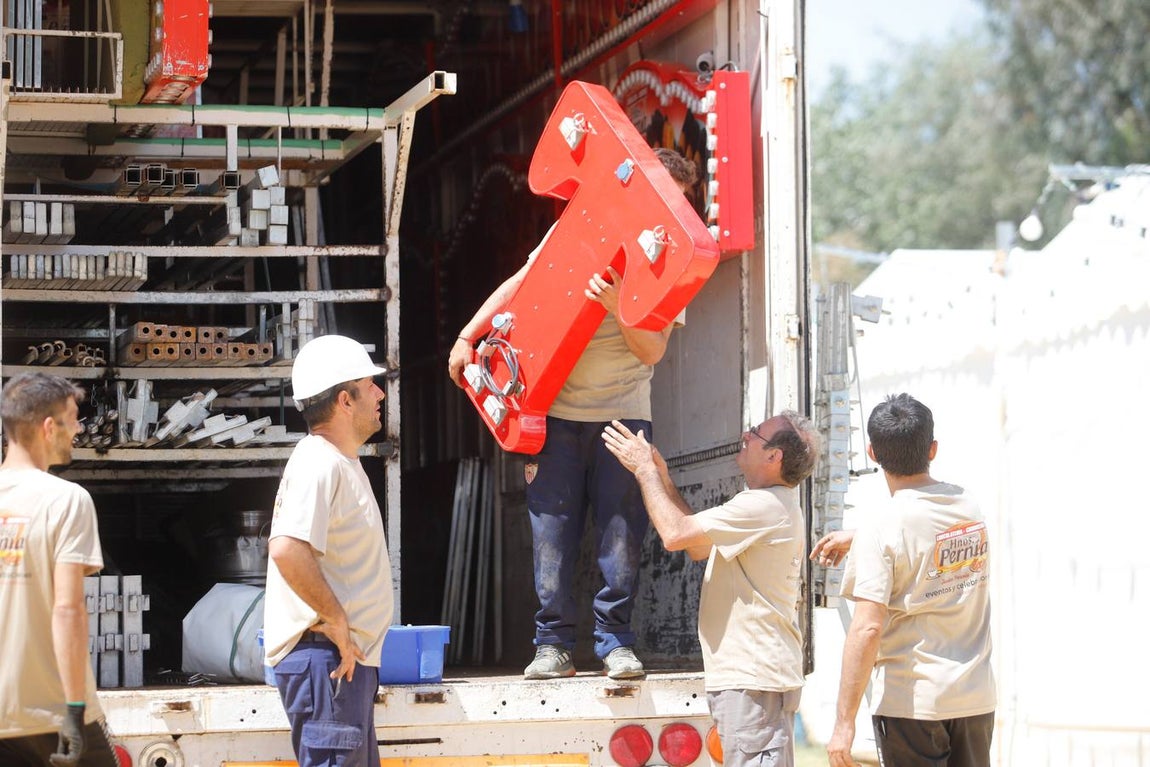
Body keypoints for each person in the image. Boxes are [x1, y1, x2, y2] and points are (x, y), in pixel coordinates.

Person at [447, 148, 698, 681]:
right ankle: (552, 647)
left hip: (621, 418)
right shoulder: (586, 225)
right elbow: (524, 281)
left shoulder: (671, 263)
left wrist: (616, 306)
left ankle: (616, 645)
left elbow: (651, 351)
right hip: (552, 410)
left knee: (619, 537)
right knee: (552, 536)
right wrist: (469, 335)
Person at [602, 412, 820, 767]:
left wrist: (644, 471)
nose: (745, 436)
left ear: (773, 456)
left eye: (755, 434)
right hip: (752, 679)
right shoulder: (766, 503)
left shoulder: (763, 505)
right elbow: (697, 545)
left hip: (754, 679)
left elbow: (674, 535)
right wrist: (665, 481)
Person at [822, 393, 995, 767]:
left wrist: (843, 723)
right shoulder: (969, 505)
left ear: (872, 453)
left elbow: (867, 629)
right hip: (976, 698)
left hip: (914, 704)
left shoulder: (882, 526)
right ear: (932, 449)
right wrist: (862, 535)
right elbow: (928, 531)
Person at [263, 334, 392, 767]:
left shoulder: (340, 462)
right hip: (326, 662)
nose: (379, 392)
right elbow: (286, 548)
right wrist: (337, 619)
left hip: (339, 664)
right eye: (369, 384)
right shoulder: (318, 461)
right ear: (344, 400)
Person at [0, 372, 119, 767]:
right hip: (50, 710)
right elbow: (68, 610)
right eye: (73, 418)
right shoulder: (66, 501)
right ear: (48, 428)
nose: (80, 429)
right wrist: (73, 708)